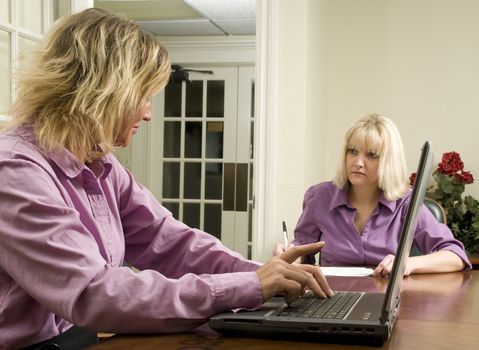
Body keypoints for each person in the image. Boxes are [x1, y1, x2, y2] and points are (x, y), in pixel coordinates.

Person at [0, 8, 333, 350]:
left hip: (73, 337)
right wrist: (247, 285)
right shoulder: (14, 170)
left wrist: (267, 274)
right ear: (103, 92)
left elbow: (169, 240)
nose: (148, 113)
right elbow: (92, 293)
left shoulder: (102, 166)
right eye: (143, 96)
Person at [273, 114, 471, 276]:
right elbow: (303, 251)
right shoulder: (319, 197)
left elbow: (455, 256)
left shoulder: (406, 203)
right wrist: (290, 256)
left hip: (387, 304)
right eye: (352, 151)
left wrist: (407, 264)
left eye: (371, 155)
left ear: (389, 161)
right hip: (330, 300)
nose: (358, 162)